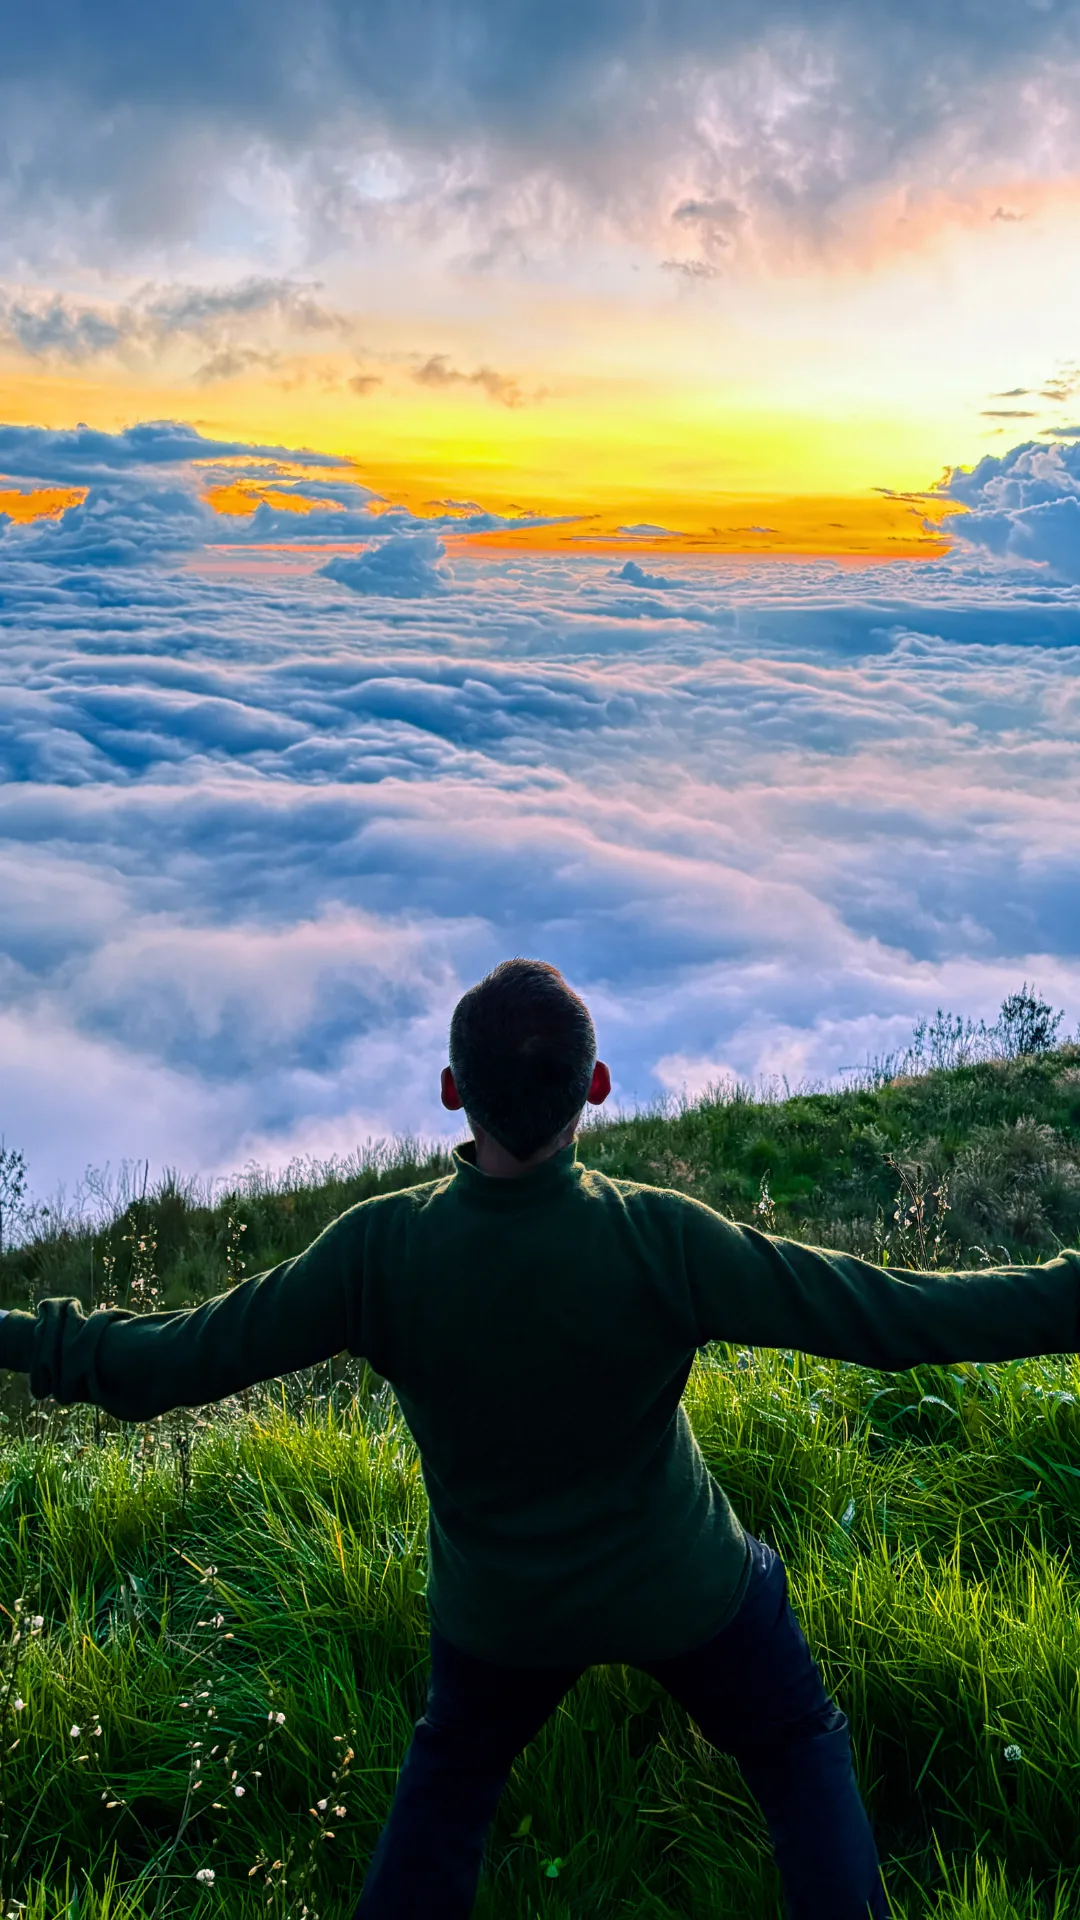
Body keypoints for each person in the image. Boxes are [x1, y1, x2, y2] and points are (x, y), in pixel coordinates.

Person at [2, 957, 1078, 1920]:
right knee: (797, 1746)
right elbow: (893, 1319)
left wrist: (16, 1335)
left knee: (451, 1789)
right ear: (596, 1090)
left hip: (500, 1617)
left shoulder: (381, 1253)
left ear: (452, 1093)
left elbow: (164, 1365)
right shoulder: (662, 1237)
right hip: (687, 1587)